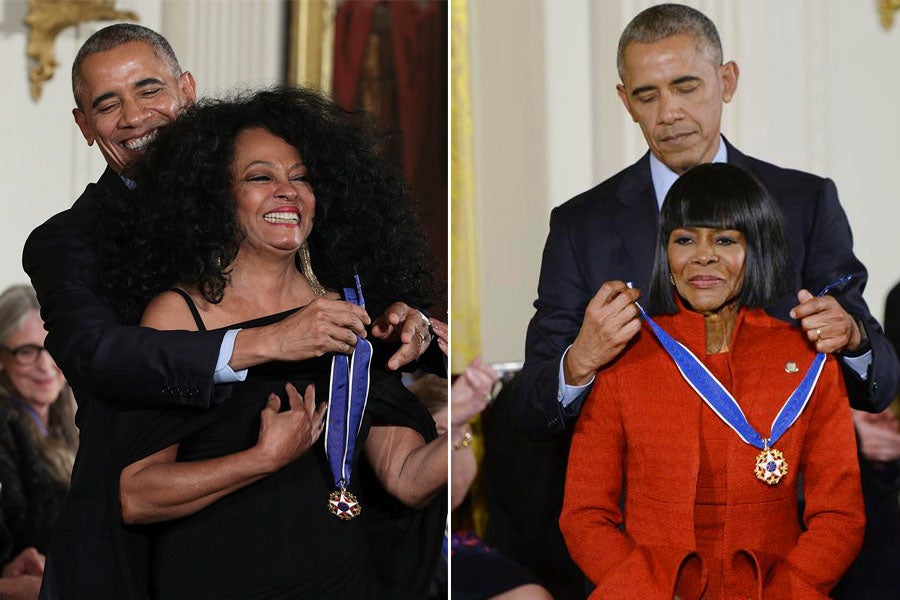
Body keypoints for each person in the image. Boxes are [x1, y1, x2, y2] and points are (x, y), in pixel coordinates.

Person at [22, 24, 440, 600]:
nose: (135, 116)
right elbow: (97, 352)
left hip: (321, 541)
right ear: (84, 126)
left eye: (150, 90)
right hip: (131, 547)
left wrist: (410, 325)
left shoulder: (284, 219)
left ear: (187, 90)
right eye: (107, 104)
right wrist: (266, 340)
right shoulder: (69, 240)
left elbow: (359, 345)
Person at [505, 4, 897, 596]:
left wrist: (855, 338)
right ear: (624, 100)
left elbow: (880, 381)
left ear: (727, 81)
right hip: (642, 547)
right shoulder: (580, 226)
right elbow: (534, 409)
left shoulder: (805, 202)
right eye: (647, 95)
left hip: (791, 542)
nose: (669, 113)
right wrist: (580, 359)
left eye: (686, 86)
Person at [560, 162, 865, 599]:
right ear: (665, 254)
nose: (703, 255)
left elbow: (841, 516)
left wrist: (787, 591)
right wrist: (646, 592)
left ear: (755, 252)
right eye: (685, 239)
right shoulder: (623, 358)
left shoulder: (808, 358)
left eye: (724, 240)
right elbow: (585, 515)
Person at [0, 286, 77, 600]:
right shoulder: (5, 422)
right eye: (27, 352)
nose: (46, 366)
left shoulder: (71, 417)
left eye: (52, 347)